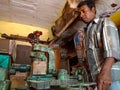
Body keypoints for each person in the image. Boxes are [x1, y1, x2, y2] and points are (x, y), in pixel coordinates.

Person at [76, 0, 120, 90]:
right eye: (79, 13)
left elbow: (112, 50)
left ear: (93, 10)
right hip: (98, 81)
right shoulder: (85, 34)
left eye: (84, 11)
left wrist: (105, 74)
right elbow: (89, 60)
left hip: (110, 79)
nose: (81, 15)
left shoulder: (104, 22)